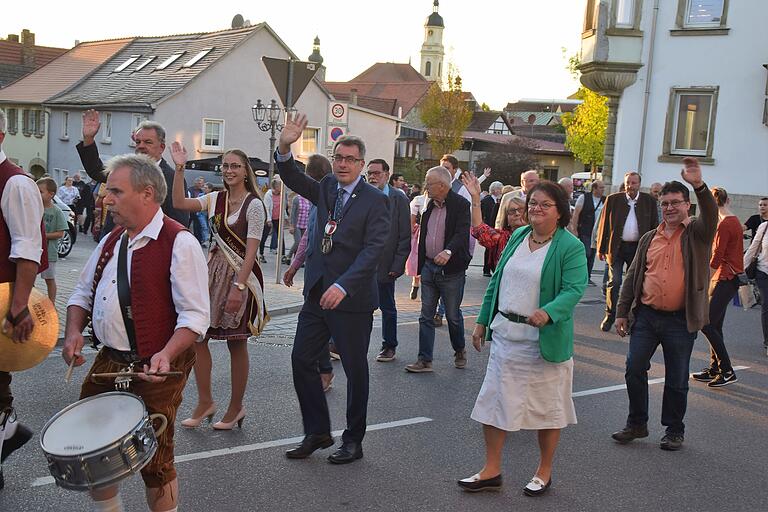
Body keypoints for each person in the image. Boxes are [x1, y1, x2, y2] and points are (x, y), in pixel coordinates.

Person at [62, 154, 210, 511]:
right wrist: (72, 332)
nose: (105, 198)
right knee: (92, 451)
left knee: (156, 461)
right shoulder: (112, 239)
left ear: (147, 194)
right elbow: (82, 292)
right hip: (110, 359)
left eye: (115, 191)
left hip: (156, 365)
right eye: (106, 191)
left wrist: (165, 354)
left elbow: (194, 317)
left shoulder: (179, 242)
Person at [459, 180, 587, 497]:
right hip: (506, 335)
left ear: (560, 212)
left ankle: (544, 471)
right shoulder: (517, 236)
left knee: (548, 408)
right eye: (532, 203)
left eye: (545, 204)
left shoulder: (570, 246)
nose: (535, 209)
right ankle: (491, 470)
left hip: (542, 341)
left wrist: (549, 311)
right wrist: (482, 321)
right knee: (494, 403)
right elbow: (498, 282)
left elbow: (574, 289)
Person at [276, 113, 390, 465]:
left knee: (355, 370)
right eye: (339, 157)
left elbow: (374, 249)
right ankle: (317, 431)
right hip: (317, 293)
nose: (343, 164)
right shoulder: (325, 186)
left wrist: (344, 284)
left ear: (361, 164)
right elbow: (292, 175)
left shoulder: (375, 199)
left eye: (350, 160)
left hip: (351, 299)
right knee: (301, 359)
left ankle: (353, 440)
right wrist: (284, 146)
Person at [612, 157, 717, 451]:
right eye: (665, 203)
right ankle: (637, 423)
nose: (669, 208)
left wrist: (699, 185)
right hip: (646, 316)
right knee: (634, 368)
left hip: (679, 320)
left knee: (676, 378)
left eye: (675, 202)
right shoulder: (649, 237)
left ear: (687, 205)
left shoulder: (697, 234)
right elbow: (632, 277)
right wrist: (622, 312)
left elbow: (710, 215)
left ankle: (674, 429)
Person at [171, 145, 267, 430]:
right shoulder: (215, 199)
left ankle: (236, 407)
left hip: (241, 277)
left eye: (235, 166)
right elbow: (178, 202)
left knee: (237, 342)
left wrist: (239, 287)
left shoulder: (255, 205)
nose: (229, 170)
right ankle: (205, 401)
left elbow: (251, 253)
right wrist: (179, 168)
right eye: (225, 166)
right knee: (199, 337)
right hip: (212, 274)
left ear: (245, 170)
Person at [0, 109, 46, 491]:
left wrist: (18, 307)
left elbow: (27, 250)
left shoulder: (16, 184)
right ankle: (9, 430)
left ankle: (6, 432)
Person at [76, 110, 189, 238]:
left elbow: (179, 222)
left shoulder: (173, 179)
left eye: (148, 142)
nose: (141, 146)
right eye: (138, 142)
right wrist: (89, 138)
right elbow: (96, 171)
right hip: (115, 241)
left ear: (161, 147)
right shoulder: (125, 169)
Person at [405, 166, 471, 373]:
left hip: (452, 271)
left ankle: (459, 349)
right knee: (426, 315)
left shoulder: (461, 205)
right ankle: (425, 360)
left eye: (429, 182)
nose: (426, 186)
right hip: (429, 267)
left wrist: (448, 251)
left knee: (452, 315)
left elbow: (462, 233)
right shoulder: (428, 205)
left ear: (442, 186)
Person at [283, 154, 336, 392]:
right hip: (314, 276)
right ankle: (323, 369)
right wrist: (295, 265)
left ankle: (325, 370)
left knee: (328, 326)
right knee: (315, 325)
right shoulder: (317, 202)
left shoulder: (335, 199)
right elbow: (309, 236)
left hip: (334, 277)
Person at [691, 187, 742, 388]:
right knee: (715, 325)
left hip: (724, 277)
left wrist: (702, 281)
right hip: (729, 277)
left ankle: (727, 370)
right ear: (727, 200)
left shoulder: (725, 225)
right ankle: (715, 368)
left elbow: (716, 258)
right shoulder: (733, 221)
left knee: (706, 323)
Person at [596, 171, 659, 331]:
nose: (630, 186)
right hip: (617, 247)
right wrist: (601, 248)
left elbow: (654, 226)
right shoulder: (613, 200)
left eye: (634, 183)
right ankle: (610, 315)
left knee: (636, 284)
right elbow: (604, 225)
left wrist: (654, 249)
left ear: (639, 184)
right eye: (628, 183)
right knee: (614, 281)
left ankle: (630, 318)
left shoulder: (649, 201)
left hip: (638, 249)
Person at [365, 159, 411, 363]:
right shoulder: (362, 195)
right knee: (359, 306)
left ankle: (389, 345)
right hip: (363, 264)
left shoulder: (398, 199)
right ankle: (347, 344)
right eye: (370, 174)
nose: (373, 177)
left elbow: (404, 235)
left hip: (385, 265)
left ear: (386, 174)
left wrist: (398, 265)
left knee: (387, 307)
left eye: (377, 173)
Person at [464, 173, 526, 270]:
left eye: (521, 210)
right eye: (512, 211)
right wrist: (475, 197)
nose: (517, 213)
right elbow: (479, 230)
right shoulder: (502, 238)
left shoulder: (539, 237)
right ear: (507, 219)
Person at [36, 178, 69, 301]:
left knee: (49, 279)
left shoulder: (57, 211)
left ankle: (51, 304)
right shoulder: (34, 208)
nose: (37, 194)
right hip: (34, 250)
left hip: (49, 252)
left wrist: (43, 235)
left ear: (51, 194)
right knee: (29, 278)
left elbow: (60, 233)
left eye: (40, 191)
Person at [744, 207, 768, 357]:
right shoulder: (764, 227)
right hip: (763, 271)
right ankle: (767, 342)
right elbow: (753, 248)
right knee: (767, 303)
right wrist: (740, 271)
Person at [570, 180, 605, 285]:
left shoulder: (605, 199)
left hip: (597, 232)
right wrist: (574, 229)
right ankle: (581, 275)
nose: (603, 190)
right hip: (585, 230)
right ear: (594, 188)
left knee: (593, 254)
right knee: (587, 253)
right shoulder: (584, 198)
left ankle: (587, 276)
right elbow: (576, 214)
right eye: (601, 188)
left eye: (603, 188)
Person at [405, 189, 428, 300]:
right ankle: (415, 284)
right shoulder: (418, 200)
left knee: (422, 259)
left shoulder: (438, 200)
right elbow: (411, 220)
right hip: (419, 232)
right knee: (417, 258)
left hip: (430, 232)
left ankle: (420, 285)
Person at [480, 181, 504, 275]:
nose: (500, 191)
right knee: (488, 248)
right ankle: (486, 269)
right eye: (499, 189)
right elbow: (482, 214)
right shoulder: (486, 200)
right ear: (493, 190)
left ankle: (494, 268)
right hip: (488, 227)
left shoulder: (501, 200)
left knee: (496, 249)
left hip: (498, 228)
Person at [262, 179, 287, 261]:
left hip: (277, 218)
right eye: (280, 186)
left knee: (281, 236)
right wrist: (268, 220)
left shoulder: (281, 194)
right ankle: (261, 254)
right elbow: (266, 207)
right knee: (264, 236)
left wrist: (285, 218)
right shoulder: (268, 195)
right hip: (269, 218)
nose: (281, 187)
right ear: (275, 186)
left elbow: (283, 207)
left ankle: (282, 255)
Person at [288, 191, 311, 261]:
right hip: (297, 224)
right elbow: (293, 213)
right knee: (298, 242)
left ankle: (297, 259)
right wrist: (291, 225)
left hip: (305, 224)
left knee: (303, 244)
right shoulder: (296, 199)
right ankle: (288, 256)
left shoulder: (309, 200)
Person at [189, 176, 210, 247]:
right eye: (200, 183)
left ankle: (198, 240)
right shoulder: (190, 190)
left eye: (202, 183)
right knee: (187, 225)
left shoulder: (202, 192)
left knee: (199, 227)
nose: (202, 185)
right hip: (190, 211)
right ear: (196, 182)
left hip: (199, 213)